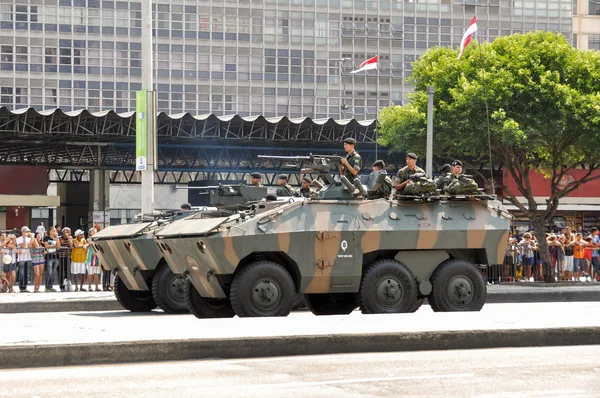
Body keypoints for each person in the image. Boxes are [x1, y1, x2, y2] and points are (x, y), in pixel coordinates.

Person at [43, 227, 61, 292]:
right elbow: (46, 246)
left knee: (53, 273)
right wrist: (54, 246)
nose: (55, 232)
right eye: (53, 230)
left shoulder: (56, 238)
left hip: (56, 257)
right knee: (49, 273)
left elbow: (58, 246)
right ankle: (47, 286)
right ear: (50, 231)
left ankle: (51, 286)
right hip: (49, 257)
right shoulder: (46, 238)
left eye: (55, 231)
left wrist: (57, 238)